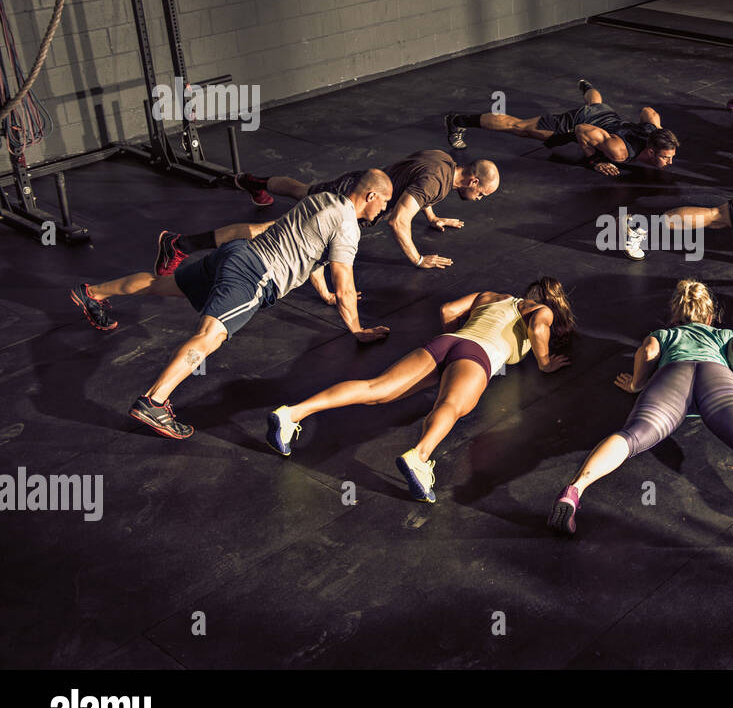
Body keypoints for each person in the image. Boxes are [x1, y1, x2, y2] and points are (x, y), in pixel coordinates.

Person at [69, 170, 394, 440]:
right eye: (385, 202)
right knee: (212, 335)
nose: (384, 209)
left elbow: (308, 252)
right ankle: (154, 401)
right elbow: (345, 282)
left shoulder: (324, 200)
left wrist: (323, 294)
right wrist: (356, 329)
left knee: (162, 285)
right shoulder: (348, 227)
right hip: (255, 275)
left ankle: (93, 293)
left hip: (236, 253)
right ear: (370, 196)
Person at [547, 279, 733, 542]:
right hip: (717, 379)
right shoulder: (725, 334)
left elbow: (648, 352)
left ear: (676, 314)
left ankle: (574, 490)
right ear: (709, 314)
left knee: (631, 436)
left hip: (671, 380)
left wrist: (637, 384)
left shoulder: (664, 335)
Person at [265, 279, 577, 503]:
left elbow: (447, 310)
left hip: (447, 342)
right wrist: (546, 361)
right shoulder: (543, 311)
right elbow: (538, 330)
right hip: (477, 355)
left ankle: (292, 413)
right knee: (453, 406)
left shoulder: (493, 295)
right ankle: (420, 455)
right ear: (551, 301)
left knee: (377, 388)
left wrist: (452, 348)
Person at [156, 150, 500, 274]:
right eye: (481, 193)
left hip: (357, 184)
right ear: (470, 180)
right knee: (272, 231)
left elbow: (419, 192)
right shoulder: (437, 183)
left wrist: (433, 216)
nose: (480, 198)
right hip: (349, 202)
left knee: (304, 191)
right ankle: (181, 244)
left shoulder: (442, 161)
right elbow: (398, 220)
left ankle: (254, 181)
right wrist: (417, 259)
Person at [444, 79, 678, 177]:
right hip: (577, 124)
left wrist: (657, 128)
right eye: (666, 158)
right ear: (650, 151)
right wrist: (594, 161)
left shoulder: (653, 132)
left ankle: (587, 86)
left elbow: (650, 112)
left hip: (605, 116)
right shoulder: (620, 152)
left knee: (596, 103)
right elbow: (582, 131)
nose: (670, 162)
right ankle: (458, 121)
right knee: (519, 127)